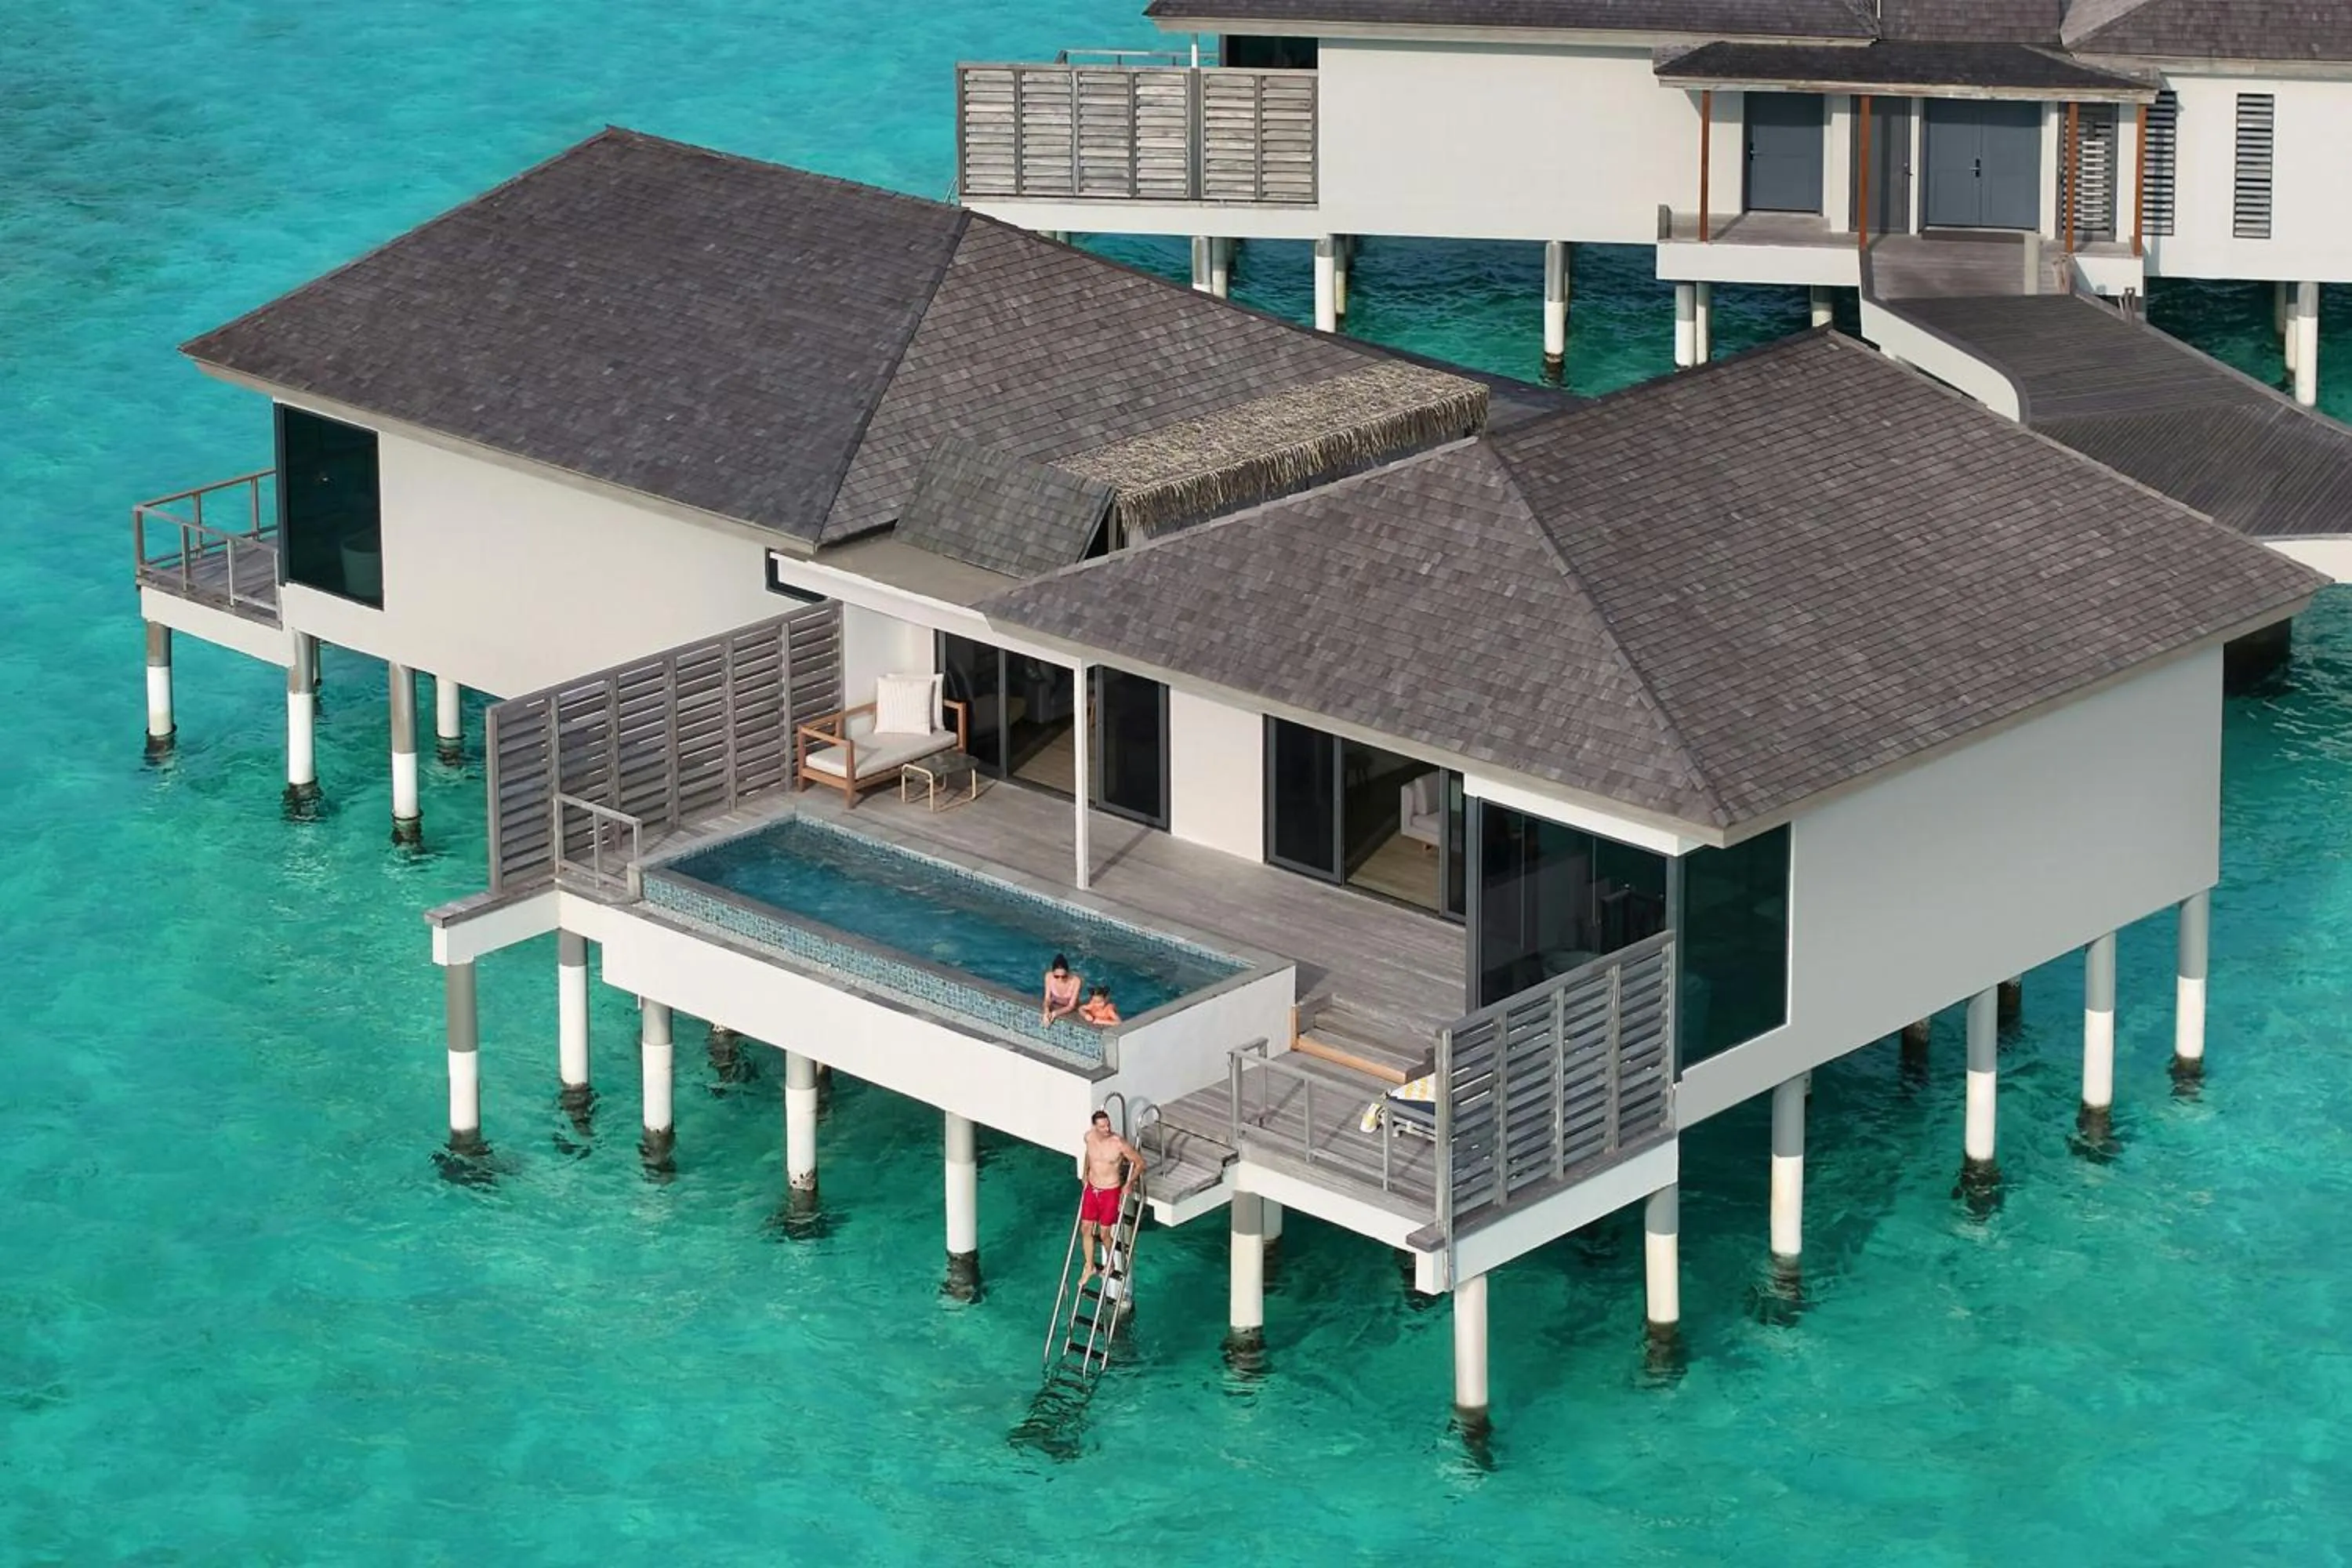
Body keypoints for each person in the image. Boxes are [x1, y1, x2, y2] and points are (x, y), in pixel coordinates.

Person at [1076, 1108, 1143, 1290]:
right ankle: (1089, 1266)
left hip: (1110, 1191)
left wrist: (1129, 1183)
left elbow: (1140, 1162)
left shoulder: (1118, 1143)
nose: (1107, 1129)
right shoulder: (1089, 1137)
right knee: (1086, 1229)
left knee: (1105, 1233)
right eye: (1103, 1126)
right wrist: (1084, 1174)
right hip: (1092, 1187)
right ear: (1095, 1127)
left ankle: (1111, 1262)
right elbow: (1089, 1155)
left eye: (1108, 1125)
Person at [1041, 953, 1082, 1026]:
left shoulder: (1076, 981)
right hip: (1055, 1003)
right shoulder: (1049, 976)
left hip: (1071, 1009)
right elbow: (1047, 998)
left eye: (1064, 976)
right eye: (1057, 976)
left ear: (1068, 972)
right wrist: (1046, 1011)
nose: (1060, 979)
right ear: (1053, 972)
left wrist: (1055, 1013)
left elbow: (1071, 1006)